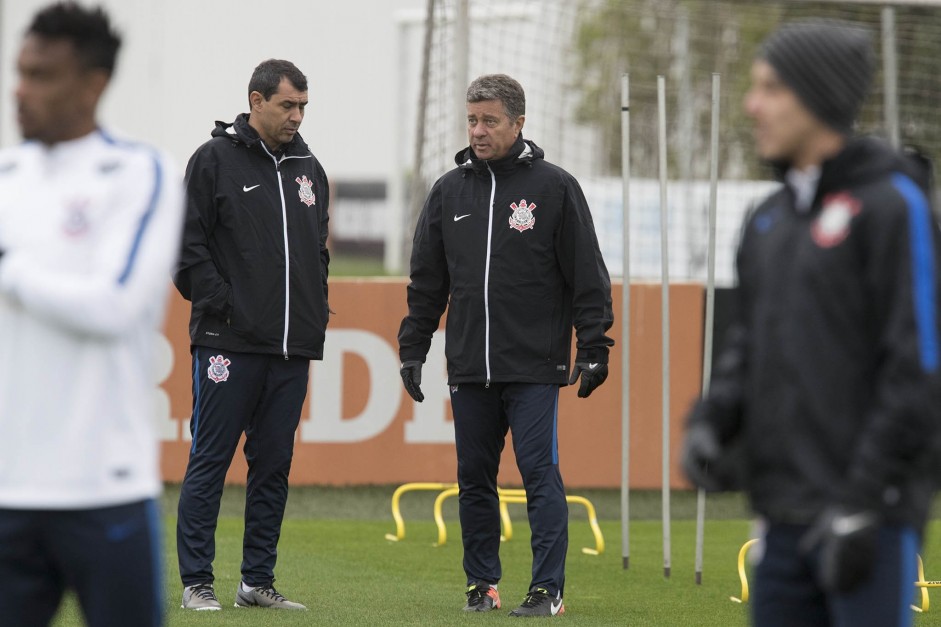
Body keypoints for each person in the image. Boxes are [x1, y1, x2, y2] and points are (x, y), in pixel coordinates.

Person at [682, 21, 941, 627]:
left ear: (818, 95)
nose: (753, 106)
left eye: (771, 88)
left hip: (868, 515)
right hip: (782, 513)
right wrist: (710, 421)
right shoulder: (769, 218)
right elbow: (749, 342)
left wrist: (862, 503)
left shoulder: (892, 205)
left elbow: (920, 367)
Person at [398, 74, 613, 618]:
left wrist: (594, 346)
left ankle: (548, 590)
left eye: (490, 120)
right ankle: (481, 585)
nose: (479, 130)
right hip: (469, 365)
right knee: (474, 479)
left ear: (518, 123)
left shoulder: (555, 188)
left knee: (539, 474)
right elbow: (427, 282)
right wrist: (413, 346)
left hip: (536, 365)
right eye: (473, 119)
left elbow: (588, 274)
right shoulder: (449, 191)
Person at [0, 3, 185, 626]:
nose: (20, 90)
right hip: (7, 491)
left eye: (42, 75)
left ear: (93, 83)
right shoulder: (4, 178)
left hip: (104, 487)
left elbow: (115, 305)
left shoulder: (139, 172)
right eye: (20, 72)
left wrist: (11, 270)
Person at [173, 59, 330, 611]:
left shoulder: (310, 168)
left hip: (290, 349)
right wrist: (224, 306)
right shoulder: (212, 160)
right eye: (288, 105)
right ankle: (197, 582)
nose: (297, 116)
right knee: (211, 459)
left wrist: (316, 310)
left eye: (303, 106)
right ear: (256, 100)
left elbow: (318, 252)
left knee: (273, 466)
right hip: (227, 344)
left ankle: (256, 582)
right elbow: (185, 246)